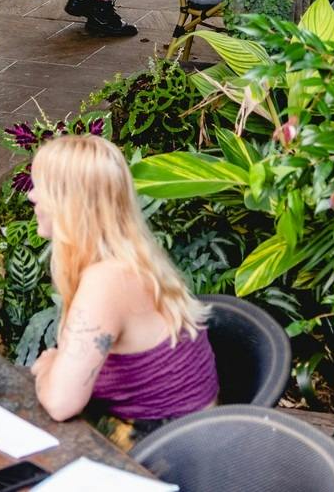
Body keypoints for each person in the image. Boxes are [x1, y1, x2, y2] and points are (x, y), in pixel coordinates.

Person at [27, 134, 218, 434]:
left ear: (70, 203)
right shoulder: (131, 260)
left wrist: (47, 367)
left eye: (41, 187)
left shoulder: (107, 280)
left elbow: (61, 402)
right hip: (189, 439)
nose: (32, 196)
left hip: (167, 457)